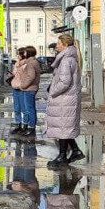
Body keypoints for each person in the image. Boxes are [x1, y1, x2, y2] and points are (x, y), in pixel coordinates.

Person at [45, 33, 85, 169]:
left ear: (65, 45)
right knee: (65, 128)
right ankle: (75, 150)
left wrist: (53, 91)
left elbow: (65, 82)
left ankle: (62, 156)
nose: (56, 46)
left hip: (64, 100)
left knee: (63, 128)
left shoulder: (66, 60)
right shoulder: (70, 58)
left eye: (58, 44)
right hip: (68, 99)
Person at [10, 46, 39, 136]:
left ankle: (28, 126)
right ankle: (20, 125)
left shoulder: (29, 63)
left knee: (27, 109)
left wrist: (23, 85)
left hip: (25, 88)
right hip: (18, 86)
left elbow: (30, 77)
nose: (18, 55)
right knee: (17, 108)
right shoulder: (22, 63)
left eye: (20, 53)